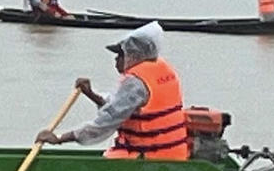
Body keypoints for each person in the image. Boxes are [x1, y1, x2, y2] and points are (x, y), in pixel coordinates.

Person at [35, 21, 190, 160]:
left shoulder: (136, 82)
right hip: (173, 153)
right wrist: (91, 94)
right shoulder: (161, 69)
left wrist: (60, 138)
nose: (115, 60)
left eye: (120, 55)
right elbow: (120, 107)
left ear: (133, 55)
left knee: (109, 157)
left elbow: (106, 122)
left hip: (148, 157)